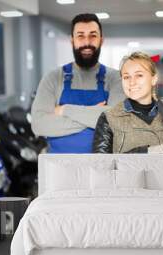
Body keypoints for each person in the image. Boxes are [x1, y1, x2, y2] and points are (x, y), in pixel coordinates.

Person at [31, 13, 125, 153]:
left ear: (101, 40)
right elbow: (39, 125)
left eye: (93, 35)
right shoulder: (53, 77)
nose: (87, 42)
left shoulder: (116, 78)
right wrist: (95, 117)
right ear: (72, 41)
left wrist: (64, 110)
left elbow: (116, 121)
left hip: (102, 168)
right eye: (80, 36)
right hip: (58, 168)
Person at [92, 51, 163, 154]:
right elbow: (101, 164)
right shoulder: (109, 118)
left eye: (139, 75)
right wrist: (144, 152)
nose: (132, 82)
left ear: (154, 79)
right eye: (126, 77)